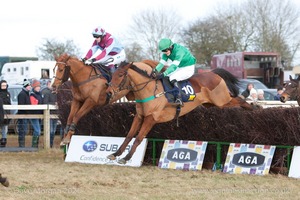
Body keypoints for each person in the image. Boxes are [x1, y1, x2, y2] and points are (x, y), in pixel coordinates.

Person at [151, 38, 196, 106]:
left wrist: (164, 73)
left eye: (166, 50)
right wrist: (155, 71)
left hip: (188, 67)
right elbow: (161, 64)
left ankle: (179, 98)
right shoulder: (166, 53)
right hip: (180, 67)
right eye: (163, 51)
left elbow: (174, 66)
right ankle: (170, 96)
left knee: (172, 78)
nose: (165, 52)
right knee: (166, 77)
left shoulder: (179, 51)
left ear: (171, 47)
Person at [42, 80, 58, 148]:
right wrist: (54, 104)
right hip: (49, 114)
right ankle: (49, 144)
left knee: (53, 131)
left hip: (56, 114)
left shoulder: (57, 93)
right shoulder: (47, 93)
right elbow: (45, 103)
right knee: (50, 131)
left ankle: (51, 144)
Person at [17, 79, 32, 147]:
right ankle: (21, 145)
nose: (30, 87)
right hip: (22, 115)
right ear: (26, 86)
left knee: (24, 130)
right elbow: (21, 105)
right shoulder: (22, 94)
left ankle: (22, 144)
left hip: (25, 115)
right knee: (22, 130)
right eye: (29, 85)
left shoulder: (26, 93)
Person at [30, 79, 43, 148]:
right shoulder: (32, 95)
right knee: (37, 131)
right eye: (37, 86)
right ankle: (34, 145)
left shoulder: (40, 95)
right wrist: (37, 101)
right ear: (34, 87)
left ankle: (36, 145)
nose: (38, 88)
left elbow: (40, 102)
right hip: (34, 114)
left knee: (38, 131)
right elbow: (34, 104)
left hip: (39, 114)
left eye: (39, 86)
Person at [0, 80, 11, 148]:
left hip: (6, 113)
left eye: (5, 85)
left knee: (4, 128)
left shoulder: (8, 93)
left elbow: (9, 102)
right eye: (3, 85)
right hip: (0, 112)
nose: (4, 87)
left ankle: (3, 141)